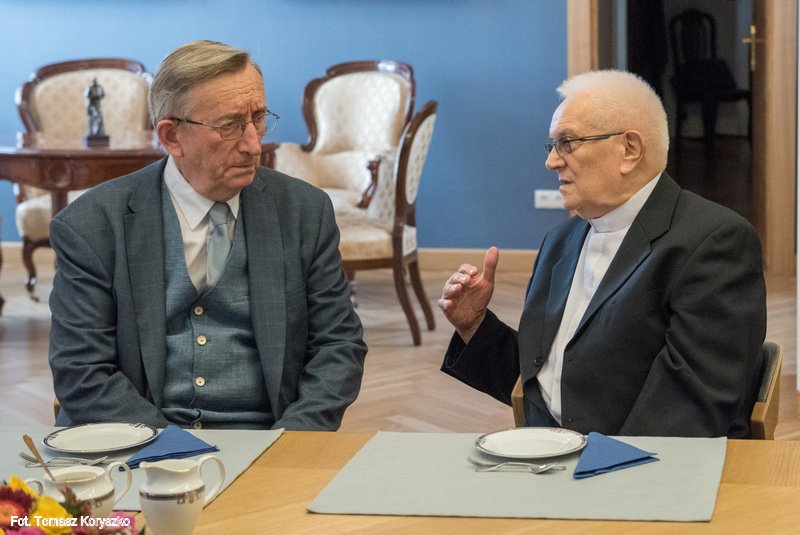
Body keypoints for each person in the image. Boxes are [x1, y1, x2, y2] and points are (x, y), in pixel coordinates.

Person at [49, 40, 367, 430]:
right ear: (171, 136)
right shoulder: (91, 225)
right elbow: (81, 371)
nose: (254, 144)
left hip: (270, 435)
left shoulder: (304, 212)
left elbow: (338, 345)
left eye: (258, 118)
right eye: (229, 125)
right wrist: (171, 450)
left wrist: (289, 442)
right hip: (135, 440)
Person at [439, 70, 766, 438]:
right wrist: (474, 327)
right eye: (553, 145)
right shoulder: (560, 241)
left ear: (630, 149)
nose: (552, 161)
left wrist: (590, 467)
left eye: (567, 142)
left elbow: (690, 409)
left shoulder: (713, 241)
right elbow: (550, 381)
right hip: (551, 454)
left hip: (642, 465)